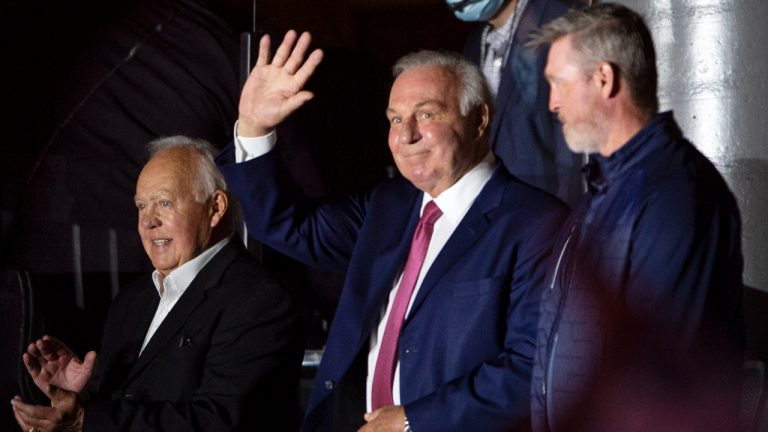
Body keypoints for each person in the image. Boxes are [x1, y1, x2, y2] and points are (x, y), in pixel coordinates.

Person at [218, 30, 568, 431]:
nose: (406, 136)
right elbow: (287, 225)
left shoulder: (537, 224)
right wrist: (254, 127)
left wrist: (413, 420)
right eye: (396, 119)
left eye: (427, 114)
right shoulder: (388, 205)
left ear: (479, 120)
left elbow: (532, 368)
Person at [528, 4, 745, 431]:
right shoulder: (600, 192)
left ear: (603, 79)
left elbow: (660, 381)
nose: (551, 103)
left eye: (558, 83)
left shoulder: (677, 194)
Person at [10, 137, 303, 431]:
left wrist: (85, 420)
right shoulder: (131, 300)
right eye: (141, 206)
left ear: (215, 208)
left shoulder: (261, 299)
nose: (148, 221)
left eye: (164, 203)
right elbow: (124, 405)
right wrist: (81, 396)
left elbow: (219, 422)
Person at [445, 0, 585, 206]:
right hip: (495, 206)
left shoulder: (560, 21)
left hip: (546, 203)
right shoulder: (476, 43)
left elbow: (572, 148)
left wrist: (569, 216)